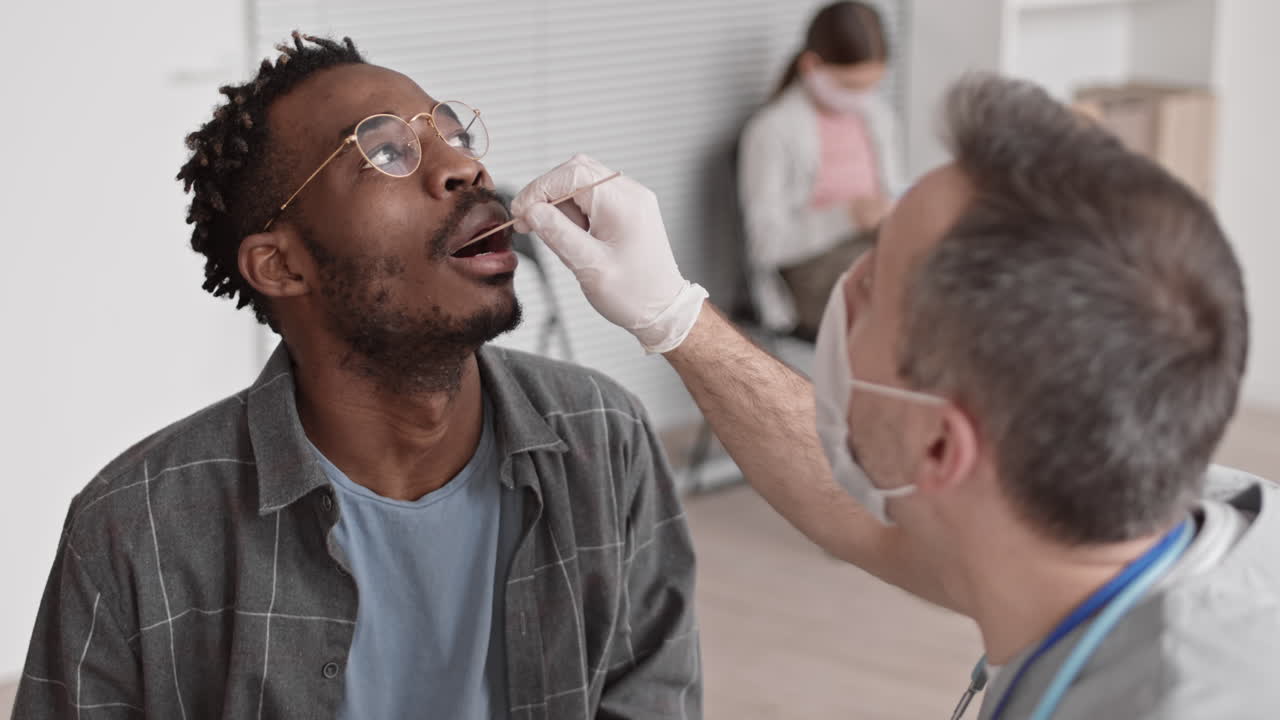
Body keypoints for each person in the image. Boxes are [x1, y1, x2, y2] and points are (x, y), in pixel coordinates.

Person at [513, 74, 1280, 717]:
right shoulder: (1155, 522)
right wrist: (673, 313)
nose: (845, 289)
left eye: (872, 285)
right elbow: (876, 526)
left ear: (942, 446)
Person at [14, 33, 700, 720]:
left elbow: (651, 700)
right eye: (386, 152)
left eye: (456, 135)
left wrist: (678, 317)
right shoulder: (135, 527)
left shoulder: (603, 434)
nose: (465, 168)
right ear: (281, 265)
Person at [739, 1, 904, 339]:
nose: (861, 96)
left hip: (872, 247)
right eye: (850, 84)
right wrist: (848, 215)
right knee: (899, 288)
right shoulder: (772, 131)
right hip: (810, 268)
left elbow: (895, 189)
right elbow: (765, 244)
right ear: (812, 65)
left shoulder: (877, 117)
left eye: (870, 85)